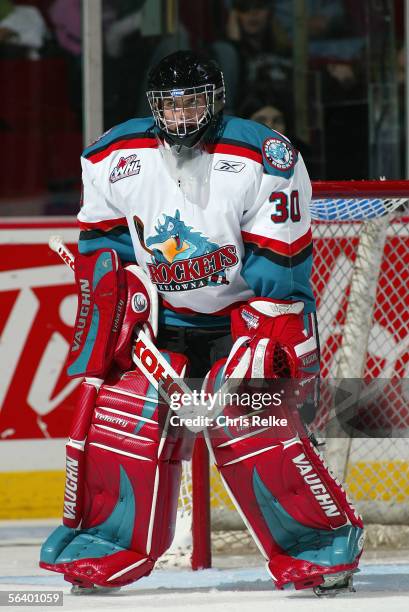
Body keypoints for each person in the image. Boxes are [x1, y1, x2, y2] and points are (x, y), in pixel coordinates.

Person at [39, 50, 363, 596]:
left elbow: (279, 269)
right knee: (125, 414)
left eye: (193, 102)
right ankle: (109, 542)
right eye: (170, 105)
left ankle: (316, 543)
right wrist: (118, 308)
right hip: (164, 321)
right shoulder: (112, 155)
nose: (182, 116)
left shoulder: (264, 157)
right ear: (153, 108)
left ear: (217, 101)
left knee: (250, 419)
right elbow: (106, 248)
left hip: (248, 321)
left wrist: (274, 338)